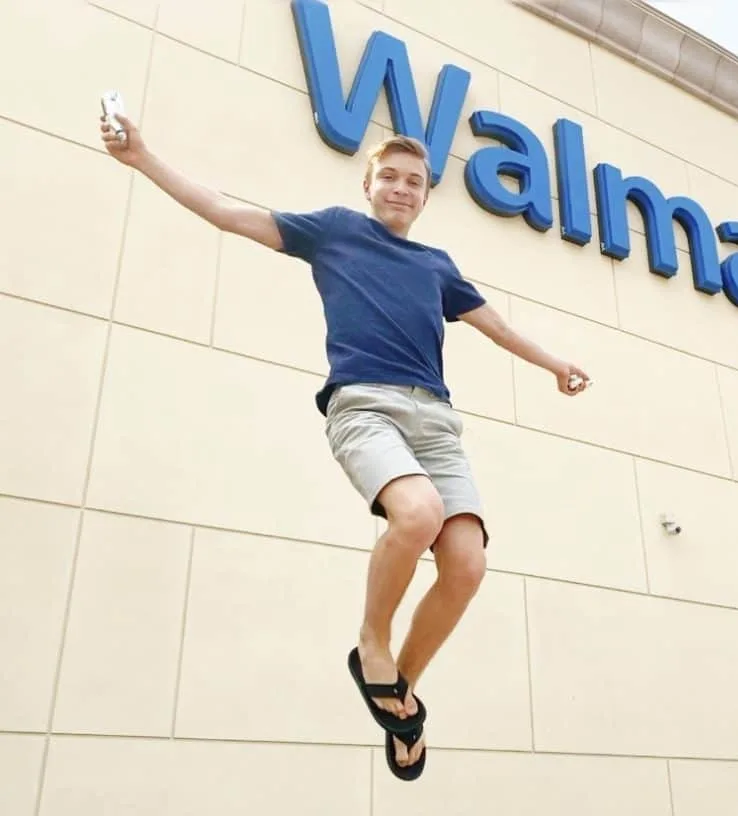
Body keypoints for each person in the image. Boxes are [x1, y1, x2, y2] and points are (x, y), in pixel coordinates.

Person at [100, 112, 590, 780]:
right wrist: (145, 158)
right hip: (365, 406)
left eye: (413, 181)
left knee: (467, 565)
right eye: (388, 176)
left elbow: (497, 327)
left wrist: (555, 363)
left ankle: (401, 694)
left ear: (423, 195)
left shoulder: (435, 265)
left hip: (435, 422)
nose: (400, 188)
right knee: (416, 516)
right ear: (368, 185)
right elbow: (225, 213)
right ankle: (371, 644)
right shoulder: (334, 231)